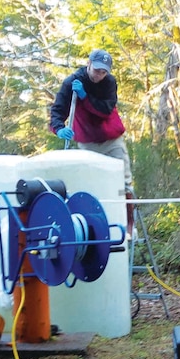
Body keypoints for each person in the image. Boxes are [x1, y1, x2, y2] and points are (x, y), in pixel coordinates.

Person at [49, 49, 135, 236]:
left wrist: (85, 98)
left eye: (104, 71)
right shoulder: (71, 83)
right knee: (91, 183)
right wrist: (59, 128)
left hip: (112, 140)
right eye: (97, 70)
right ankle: (95, 228)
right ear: (88, 64)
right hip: (88, 143)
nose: (99, 75)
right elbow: (57, 111)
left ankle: (129, 226)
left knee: (125, 182)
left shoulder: (109, 83)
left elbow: (105, 110)